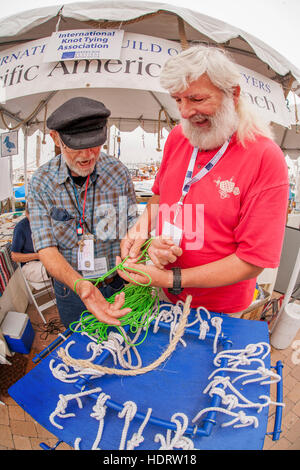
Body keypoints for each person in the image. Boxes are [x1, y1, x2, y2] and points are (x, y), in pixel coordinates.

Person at [118, 45, 289, 317]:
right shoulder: (178, 137)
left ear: (233, 94)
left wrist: (172, 278)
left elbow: (252, 260)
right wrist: (139, 231)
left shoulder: (265, 157)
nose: (185, 112)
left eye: (196, 99)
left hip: (221, 307)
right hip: (164, 291)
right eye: (178, 100)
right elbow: (161, 196)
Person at [27, 97, 137, 327]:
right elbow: (45, 249)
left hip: (116, 283)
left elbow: (132, 225)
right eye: (77, 146)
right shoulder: (40, 182)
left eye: (95, 144)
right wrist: (81, 286)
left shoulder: (118, 172)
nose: (87, 155)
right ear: (56, 139)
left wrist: (143, 249)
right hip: (73, 290)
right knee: (79, 347)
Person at [11, 203, 50, 289]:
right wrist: (39, 255)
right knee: (55, 269)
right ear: (27, 214)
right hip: (30, 265)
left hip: (48, 259)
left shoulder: (47, 222)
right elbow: (15, 256)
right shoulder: (21, 228)